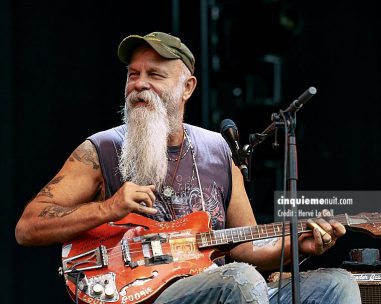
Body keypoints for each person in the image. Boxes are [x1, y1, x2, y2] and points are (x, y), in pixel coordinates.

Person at [15, 31, 361, 304]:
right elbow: (28, 227)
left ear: (187, 88)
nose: (139, 84)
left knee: (336, 284)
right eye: (132, 74)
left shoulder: (218, 152)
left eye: (154, 74)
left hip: (229, 288)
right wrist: (109, 208)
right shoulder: (101, 149)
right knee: (240, 278)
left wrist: (297, 246)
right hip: (140, 292)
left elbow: (247, 249)